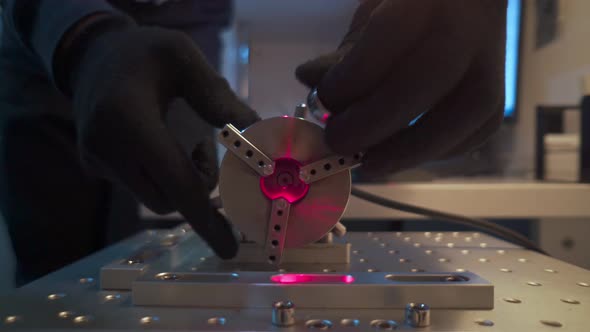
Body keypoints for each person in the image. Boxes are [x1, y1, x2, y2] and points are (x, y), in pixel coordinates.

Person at [0, 0, 507, 284]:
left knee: (173, 192)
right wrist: (81, 37)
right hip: (42, 51)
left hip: (182, 23)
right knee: (60, 274)